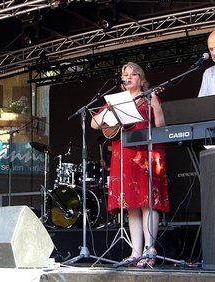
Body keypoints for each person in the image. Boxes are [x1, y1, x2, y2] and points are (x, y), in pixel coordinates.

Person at [91, 62, 170, 268]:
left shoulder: (150, 97)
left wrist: (155, 104)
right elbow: (94, 123)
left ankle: (149, 251)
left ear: (140, 79)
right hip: (123, 154)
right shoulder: (116, 102)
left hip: (145, 153)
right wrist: (107, 115)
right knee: (131, 205)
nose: (128, 78)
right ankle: (135, 252)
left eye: (132, 75)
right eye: (124, 75)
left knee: (148, 203)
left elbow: (160, 125)